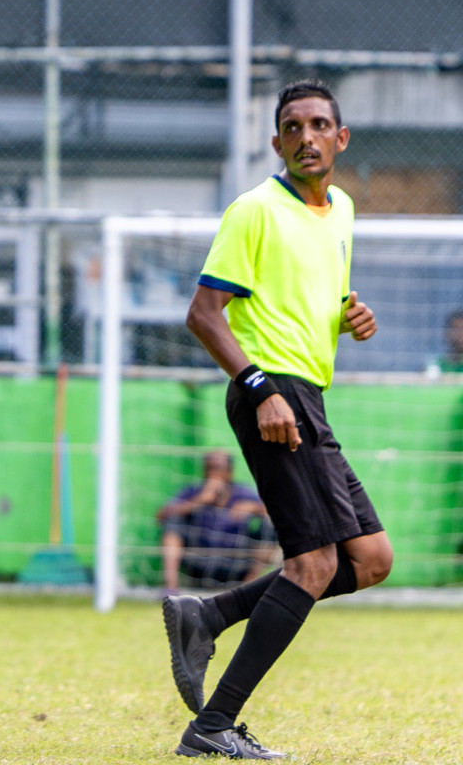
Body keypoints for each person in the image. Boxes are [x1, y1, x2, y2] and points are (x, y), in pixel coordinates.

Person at [166, 79, 392, 759]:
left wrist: (354, 313)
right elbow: (204, 315)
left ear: (340, 138)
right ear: (277, 143)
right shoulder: (254, 210)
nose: (307, 137)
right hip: (271, 394)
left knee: (371, 559)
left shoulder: (343, 211)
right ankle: (212, 727)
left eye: (320, 125)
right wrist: (260, 387)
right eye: (293, 128)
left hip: (308, 397)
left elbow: (327, 291)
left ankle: (209, 615)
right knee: (315, 563)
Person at [157, 451, 276, 594]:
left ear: (229, 472)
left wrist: (254, 508)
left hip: (236, 564)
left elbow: (276, 513)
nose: (213, 473)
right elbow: (160, 517)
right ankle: (171, 589)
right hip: (197, 563)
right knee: (173, 522)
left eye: (218, 468)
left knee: (270, 527)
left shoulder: (243, 493)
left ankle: (245, 592)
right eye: (209, 468)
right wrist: (198, 501)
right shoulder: (194, 491)